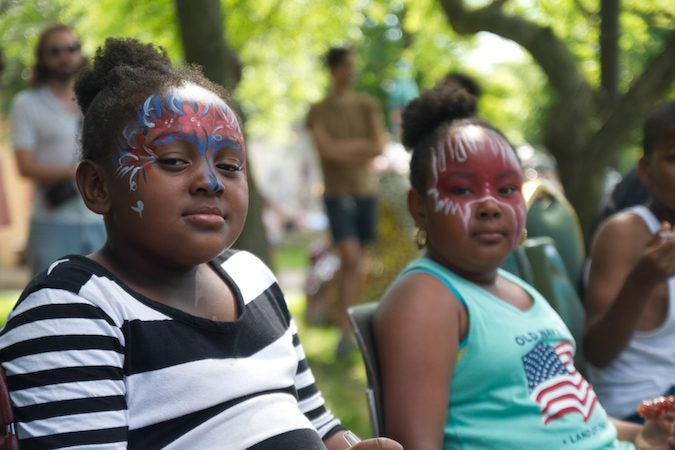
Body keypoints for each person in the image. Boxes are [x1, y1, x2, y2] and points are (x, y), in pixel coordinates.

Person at [0, 37, 402, 450]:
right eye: (174, 160)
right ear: (98, 186)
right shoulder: (74, 312)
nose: (210, 182)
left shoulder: (253, 279)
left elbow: (318, 423)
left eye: (229, 166)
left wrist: (351, 446)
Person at [373, 86, 675, 449]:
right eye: (464, 190)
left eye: (505, 189)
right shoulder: (426, 297)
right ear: (419, 208)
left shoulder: (517, 289)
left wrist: (641, 434)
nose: (490, 206)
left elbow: (575, 416)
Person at [583, 100, 675, 423]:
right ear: (646, 170)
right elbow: (597, 351)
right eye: (674, 159)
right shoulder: (623, 233)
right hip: (636, 411)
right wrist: (642, 279)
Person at [306, 45, 387, 356]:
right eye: (346, 65)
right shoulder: (318, 110)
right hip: (336, 193)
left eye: (354, 65)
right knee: (349, 257)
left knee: (360, 263)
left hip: (365, 192)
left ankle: (351, 328)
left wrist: (345, 148)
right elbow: (327, 152)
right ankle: (343, 327)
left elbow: (379, 145)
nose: (351, 71)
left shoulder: (368, 105)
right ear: (334, 69)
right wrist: (360, 147)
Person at [10, 23, 105, 276]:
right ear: (42, 58)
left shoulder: (98, 100)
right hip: (52, 223)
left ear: (80, 53)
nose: (65, 56)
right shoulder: (27, 104)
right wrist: (79, 172)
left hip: (102, 218)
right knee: (51, 299)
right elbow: (24, 166)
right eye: (55, 51)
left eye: (71, 48)